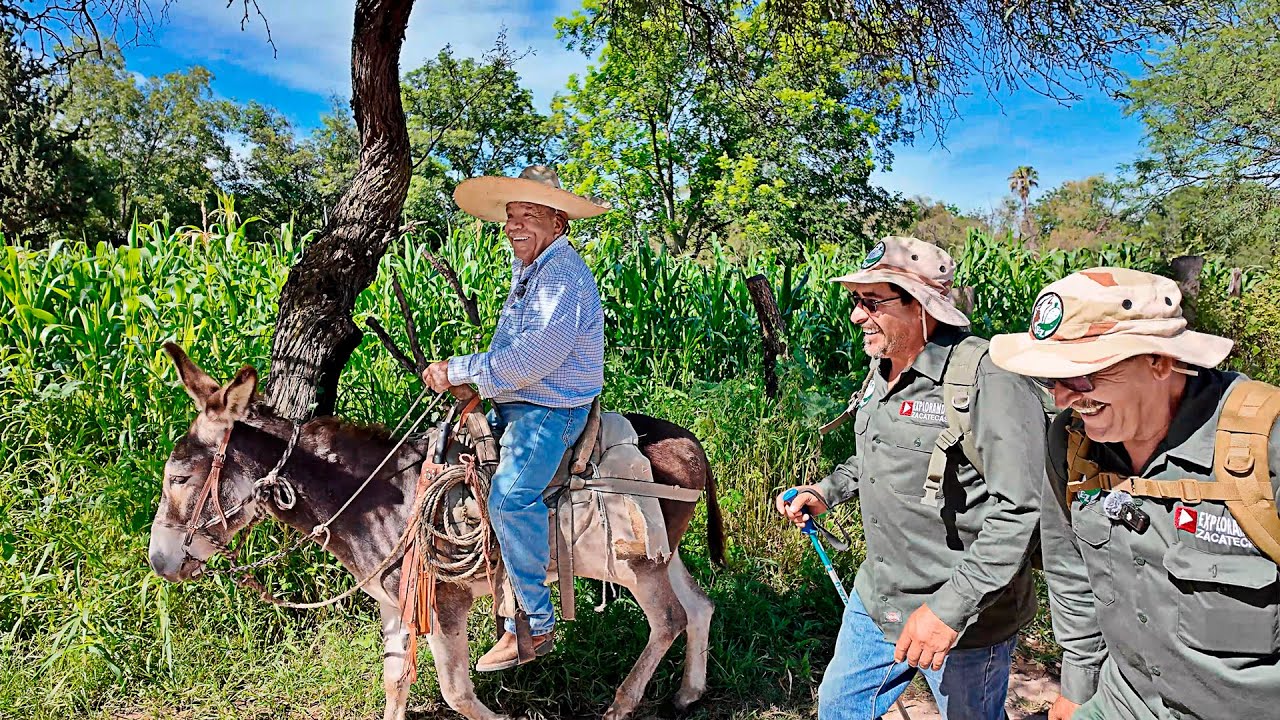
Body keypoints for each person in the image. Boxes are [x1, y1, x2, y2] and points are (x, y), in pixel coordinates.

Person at [989, 267, 1280, 719]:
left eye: (1083, 377)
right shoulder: (1071, 441)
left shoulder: (1266, 446)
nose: (1064, 399)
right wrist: (1078, 684)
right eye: (1051, 381)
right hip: (1124, 702)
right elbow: (1071, 569)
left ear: (1160, 361)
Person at [777, 236, 1045, 719]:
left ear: (923, 307)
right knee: (838, 709)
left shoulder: (989, 380)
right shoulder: (882, 368)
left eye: (872, 302)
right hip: (878, 594)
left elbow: (1021, 509)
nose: (858, 316)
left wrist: (949, 611)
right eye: (856, 302)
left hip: (963, 614)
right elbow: (879, 458)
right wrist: (825, 491)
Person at [420, 165, 608, 671]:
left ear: (558, 224)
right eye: (510, 217)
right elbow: (510, 351)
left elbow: (531, 361)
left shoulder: (563, 277)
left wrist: (459, 369)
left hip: (553, 406)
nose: (514, 226)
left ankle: (533, 622)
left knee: (508, 494)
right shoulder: (532, 271)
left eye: (529, 216)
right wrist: (475, 381)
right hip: (520, 398)